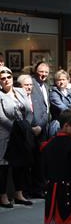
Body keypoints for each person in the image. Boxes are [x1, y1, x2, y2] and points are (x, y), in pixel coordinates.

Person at [0, 67, 36, 207]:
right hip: (6, 134)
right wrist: (16, 129)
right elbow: (1, 117)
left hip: (21, 133)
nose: (6, 80)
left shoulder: (20, 91)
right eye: (2, 78)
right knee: (3, 166)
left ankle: (18, 194)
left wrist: (26, 125)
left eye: (8, 77)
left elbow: (29, 110)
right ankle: (3, 196)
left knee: (19, 165)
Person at [29, 61, 51, 198]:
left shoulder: (46, 86)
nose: (43, 74)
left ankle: (40, 187)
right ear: (36, 71)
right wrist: (35, 126)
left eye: (46, 72)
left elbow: (46, 108)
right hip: (34, 128)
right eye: (41, 71)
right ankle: (34, 189)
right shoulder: (31, 84)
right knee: (34, 161)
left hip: (43, 128)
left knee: (41, 160)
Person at [49, 70, 71, 136]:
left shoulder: (69, 91)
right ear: (55, 81)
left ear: (67, 80)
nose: (61, 82)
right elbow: (63, 109)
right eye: (59, 80)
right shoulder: (53, 93)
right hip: (58, 124)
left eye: (63, 79)